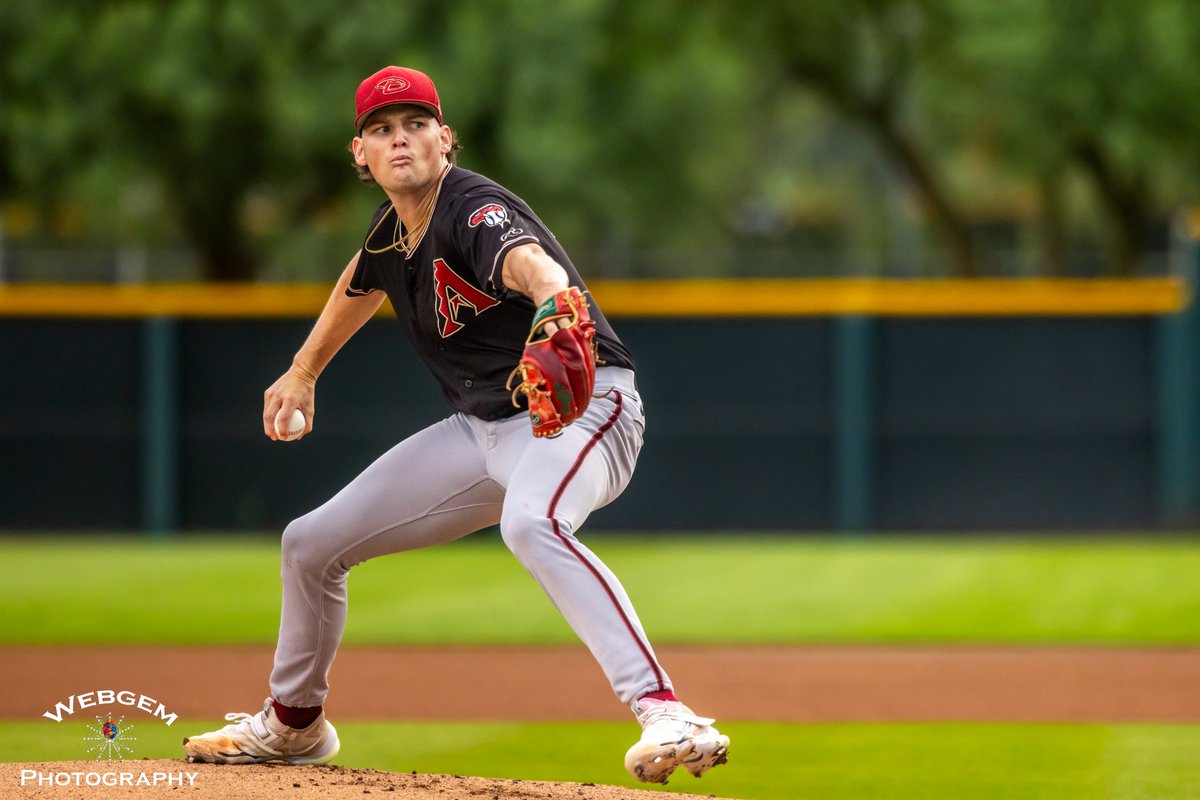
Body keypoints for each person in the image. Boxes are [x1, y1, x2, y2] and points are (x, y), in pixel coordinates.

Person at [181, 65, 729, 785]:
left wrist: (556, 303)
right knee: (311, 545)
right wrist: (304, 370)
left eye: (415, 125)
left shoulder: (472, 208)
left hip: (583, 412)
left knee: (532, 524)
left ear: (447, 139)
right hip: (481, 432)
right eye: (381, 129)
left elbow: (532, 265)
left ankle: (666, 711)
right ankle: (293, 725)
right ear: (360, 155)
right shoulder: (390, 234)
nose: (399, 138)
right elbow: (361, 279)